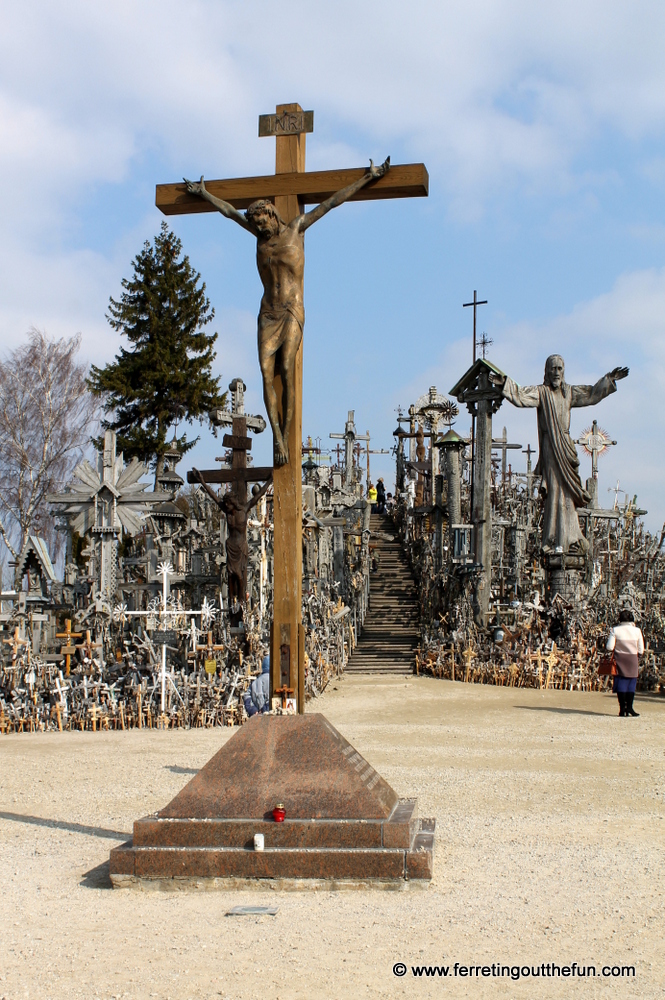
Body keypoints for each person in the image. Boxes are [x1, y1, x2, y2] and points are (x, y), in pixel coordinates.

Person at [185, 158, 391, 466]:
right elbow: (229, 212)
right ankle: (278, 438)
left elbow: (332, 203)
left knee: (287, 369)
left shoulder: (296, 228)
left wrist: (368, 178)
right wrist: (204, 194)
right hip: (267, 312)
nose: (259, 228)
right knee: (267, 374)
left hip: (292, 309)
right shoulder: (259, 238)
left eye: (262, 222)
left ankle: (287, 433)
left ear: (272, 214)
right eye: (254, 225)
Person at [492, 355, 628, 554]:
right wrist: (505, 383)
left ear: (563, 371)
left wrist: (609, 380)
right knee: (555, 491)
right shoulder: (541, 392)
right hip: (550, 447)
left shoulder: (570, 392)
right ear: (546, 372)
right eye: (552, 368)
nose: (556, 372)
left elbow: (591, 394)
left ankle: (571, 535)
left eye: (559, 368)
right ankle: (554, 537)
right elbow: (520, 396)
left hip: (565, 446)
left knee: (568, 496)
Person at [606, 609, 643, 717]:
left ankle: (622, 709)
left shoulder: (615, 630)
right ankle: (630, 707)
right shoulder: (637, 630)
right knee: (631, 683)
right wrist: (638, 655)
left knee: (621, 682)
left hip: (619, 658)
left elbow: (609, 647)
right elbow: (641, 649)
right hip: (632, 659)